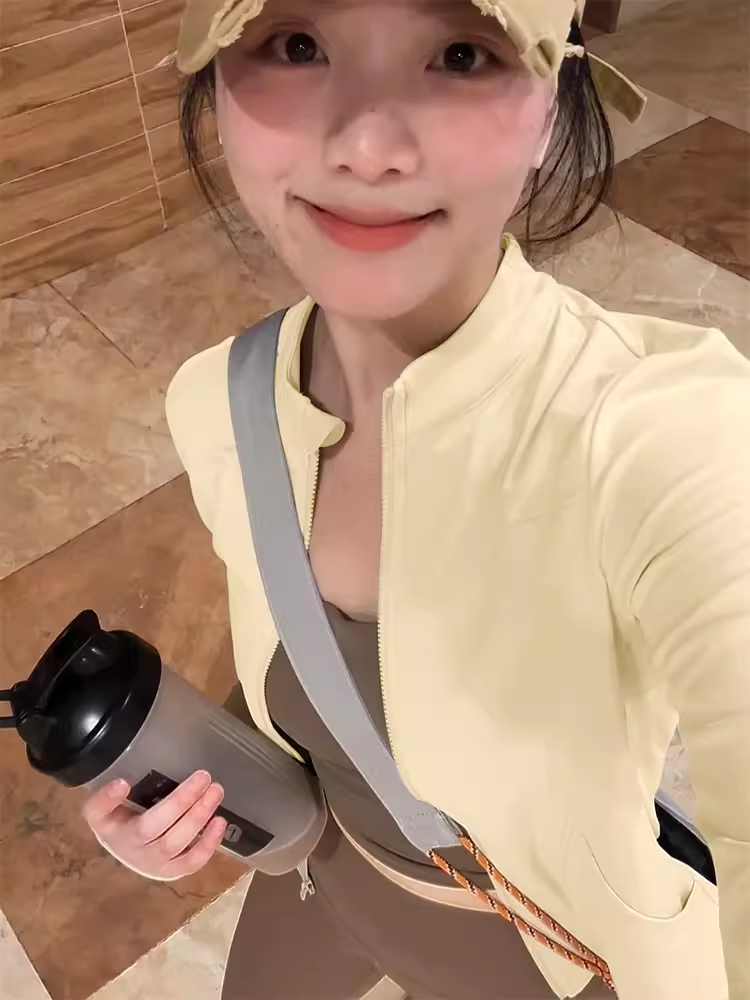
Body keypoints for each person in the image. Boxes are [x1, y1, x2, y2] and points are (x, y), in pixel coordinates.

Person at [81, 1, 749, 997]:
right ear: (216, 80)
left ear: (552, 108)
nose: (366, 146)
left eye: (461, 54)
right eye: (298, 45)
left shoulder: (663, 436)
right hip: (323, 875)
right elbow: (307, 675)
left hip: (550, 951)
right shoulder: (217, 399)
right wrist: (184, 783)